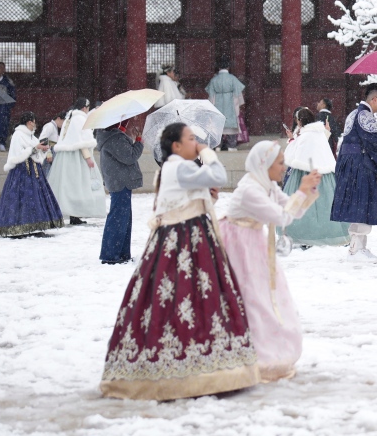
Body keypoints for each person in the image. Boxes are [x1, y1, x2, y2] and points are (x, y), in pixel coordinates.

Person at [100, 123, 260, 400]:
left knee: (171, 297)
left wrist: (202, 193)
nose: (195, 142)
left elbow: (190, 192)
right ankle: (193, 368)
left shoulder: (172, 168)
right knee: (191, 295)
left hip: (179, 236)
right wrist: (208, 153)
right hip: (185, 238)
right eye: (190, 139)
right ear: (176, 146)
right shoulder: (179, 166)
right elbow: (219, 174)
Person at [220, 140, 321, 381]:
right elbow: (281, 217)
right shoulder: (250, 190)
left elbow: (292, 210)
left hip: (252, 242)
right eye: (280, 162)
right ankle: (248, 354)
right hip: (236, 245)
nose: (284, 167)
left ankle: (267, 349)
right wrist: (301, 190)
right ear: (264, 165)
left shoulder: (266, 185)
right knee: (249, 298)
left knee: (263, 295)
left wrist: (306, 191)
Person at [331, 83, 377, 261]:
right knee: (362, 203)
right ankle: (357, 248)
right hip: (359, 165)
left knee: (358, 204)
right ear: (374, 99)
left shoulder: (354, 114)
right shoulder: (364, 115)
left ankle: (359, 247)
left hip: (350, 163)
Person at [282, 108, 350, 247]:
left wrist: (291, 140)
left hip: (305, 174)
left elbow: (293, 156)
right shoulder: (319, 133)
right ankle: (331, 233)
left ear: (300, 121)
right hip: (325, 175)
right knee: (327, 204)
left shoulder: (305, 136)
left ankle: (304, 235)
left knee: (305, 205)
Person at [0, 112, 64, 237]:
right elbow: (17, 154)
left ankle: (37, 226)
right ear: (29, 122)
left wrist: (42, 149)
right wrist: (34, 149)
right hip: (21, 170)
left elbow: (35, 149)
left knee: (35, 198)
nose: (35, 124)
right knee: (21, 198)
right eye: (34, 121)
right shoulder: (18, 134)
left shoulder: (31, 136)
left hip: (34, 170)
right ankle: (17, 227)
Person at [48, 98, 106, 225]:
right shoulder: (79, 119)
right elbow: (81, 141)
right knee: (78, 185)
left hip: (66, 156)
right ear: (84, 107)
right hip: (77, 156)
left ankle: (63, 213)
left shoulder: (70, 118)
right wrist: (88, 158)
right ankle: (75, 214)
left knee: (67, 185)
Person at [96, 119, 144, 264]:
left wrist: (122, 128)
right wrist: (139, 141)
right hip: (120, 182)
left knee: (123, 219)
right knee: (118, 219)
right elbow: (129, 156)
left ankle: (122, 253)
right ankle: (111, 255)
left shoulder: (107, 136)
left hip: (118, 181)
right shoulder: (114, 138)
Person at [206, 65, 246, 151]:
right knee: (231, 126)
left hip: (217, 103)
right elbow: (237, 95)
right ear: (228, 68)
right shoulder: (233, 79)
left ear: (219, 68)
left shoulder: (214, 80)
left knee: (218, 126)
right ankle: (231, 146)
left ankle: (217, 146)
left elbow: (211, 97)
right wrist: (238, 105)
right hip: (230, 104)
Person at [38, 112, 65, 178]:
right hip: (49, 152)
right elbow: (42, 139)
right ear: (59, 118)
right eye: (63, 121)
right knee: (46, 174)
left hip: (52, 150)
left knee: (49, 174)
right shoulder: (50, 126)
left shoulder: (54, 127)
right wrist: (48, 154)